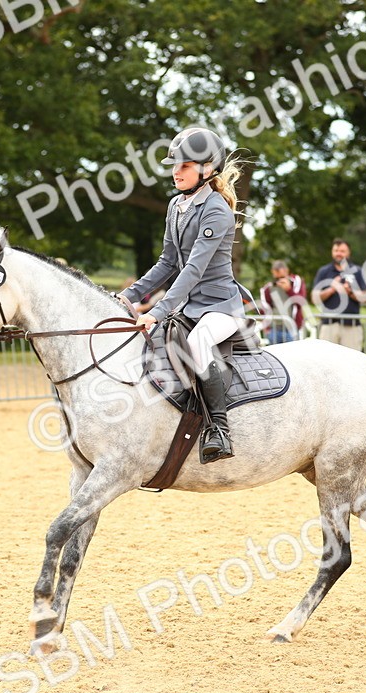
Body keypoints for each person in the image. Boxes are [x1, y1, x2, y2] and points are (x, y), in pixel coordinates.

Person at [117, 126, 255, 463]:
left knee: (197, 344)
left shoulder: (216, 210)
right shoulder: (176, 205)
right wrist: (130, 295)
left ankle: (219, 429)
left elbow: (192, 270)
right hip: (192, 308)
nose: (176, 172)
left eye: (184, 165)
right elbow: (167, 261)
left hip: (221, 307)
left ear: (207, 169)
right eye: (174, 165)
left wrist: (158, 310)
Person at [311, 239, 366, 350]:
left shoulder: (357, 271)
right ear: (332, 252)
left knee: (352, 363)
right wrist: (332, 288)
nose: (338, 253)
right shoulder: (324, 271)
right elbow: (314, 298)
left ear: (349, 253)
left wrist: (350, 292)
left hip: (351, 326)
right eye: (336, 250)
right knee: (325, 362)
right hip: (328, 325)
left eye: (342, 251)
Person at [258, 259, 307, 344]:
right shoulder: (268, 288)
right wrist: (267, 328)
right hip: (274, 329)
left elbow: (301, 302)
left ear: (286, 271)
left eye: (281, 277)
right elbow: (264, 309)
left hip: (292, 328)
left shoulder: (296, 282)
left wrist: (289, 290)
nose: (279, 281)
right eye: (277, 278)